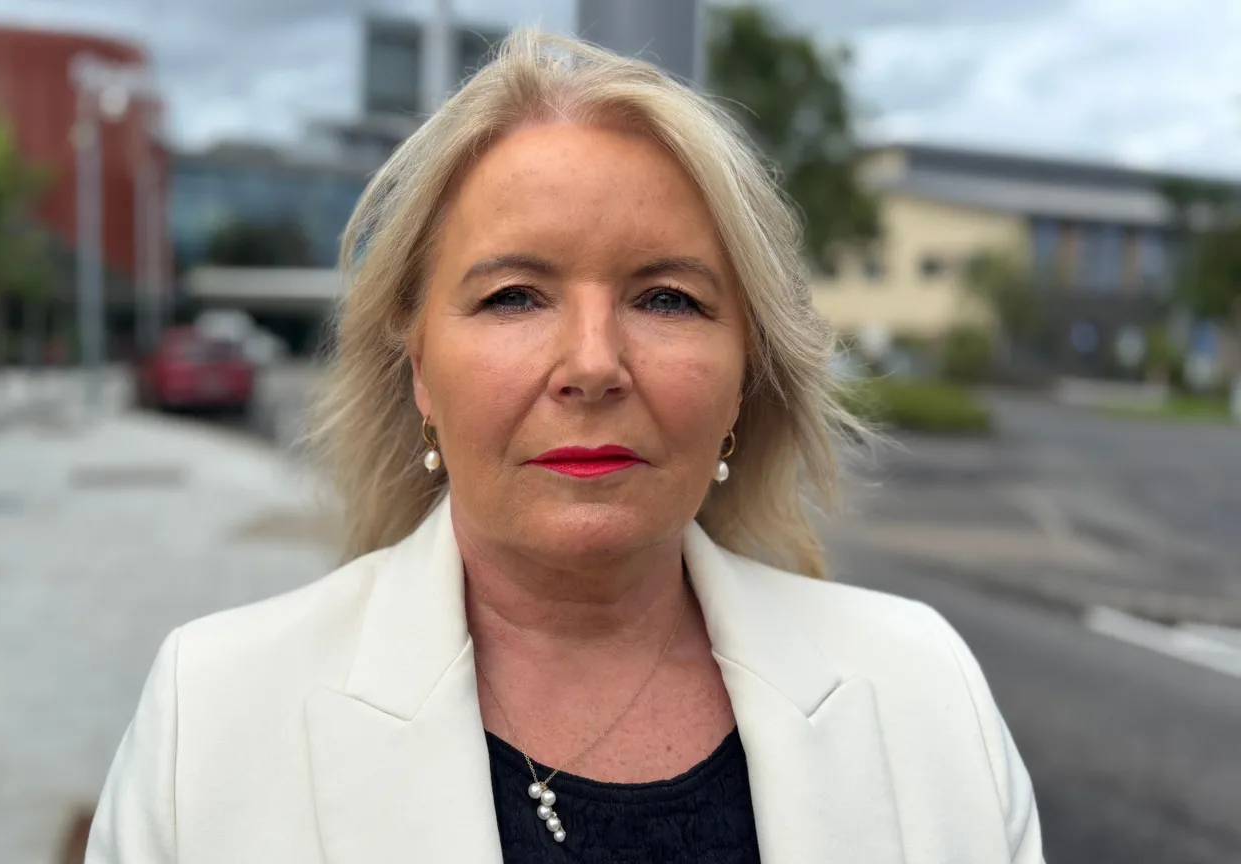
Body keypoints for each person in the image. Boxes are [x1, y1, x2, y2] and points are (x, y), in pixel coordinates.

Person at [86, 29, 1044, 864]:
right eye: (514, 297)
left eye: (667, 298)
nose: (592, 365)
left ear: (746, 372)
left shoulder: (928, 694)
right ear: (420, 368)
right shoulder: (210, 721)